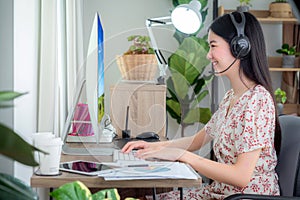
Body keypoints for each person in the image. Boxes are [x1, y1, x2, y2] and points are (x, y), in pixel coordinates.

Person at [122, 11, 281, 200]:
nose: (208, 55)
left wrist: (183, 155)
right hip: (220, 193)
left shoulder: (258, 100)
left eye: (213, 46)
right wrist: (154, 147)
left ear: (240, 47)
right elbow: (198, 140)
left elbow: (241, 177)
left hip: (244, 197)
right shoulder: (232, 96)